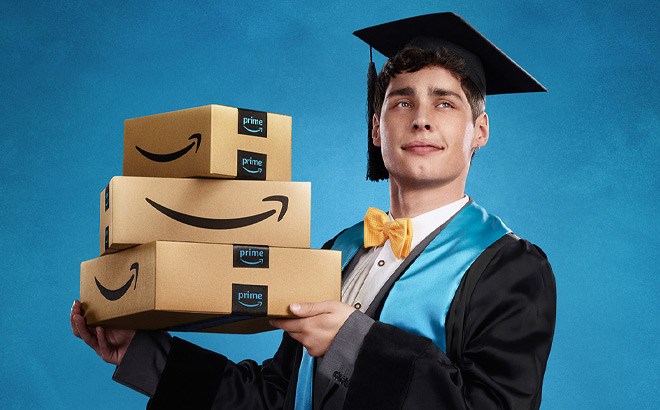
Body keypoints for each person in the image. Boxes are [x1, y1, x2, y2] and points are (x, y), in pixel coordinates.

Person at [71, 12, 556, 409]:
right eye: (401, 101)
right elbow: (276, 398)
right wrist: (143, 353)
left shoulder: (511, 267)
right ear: (375, 128)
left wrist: (354, 344)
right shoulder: (338, 253)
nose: (422, 118)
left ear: (481, 131)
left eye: (446, 104)